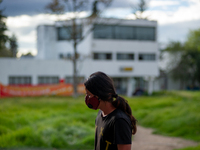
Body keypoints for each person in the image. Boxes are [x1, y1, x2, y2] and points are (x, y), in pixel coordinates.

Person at [84, 71, 137, 150]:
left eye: (89, 95)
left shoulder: (119, 120)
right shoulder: (100, 114)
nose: (87, 98)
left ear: (100, 94)